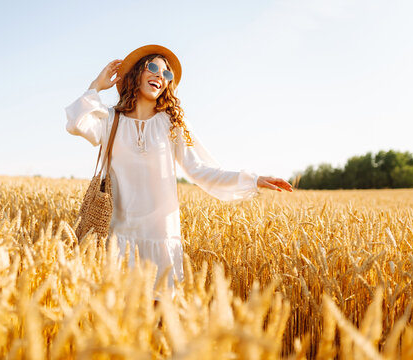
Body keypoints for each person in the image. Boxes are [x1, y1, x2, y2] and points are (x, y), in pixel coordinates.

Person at [65, 45, 292, 301]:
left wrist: (254, 179)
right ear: (136, 74)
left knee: (160, 324)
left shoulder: (172, 123)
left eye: (167, 74)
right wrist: (96, 85)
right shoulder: (110, 120)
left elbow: (201, 169)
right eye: (153, 67)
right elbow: (75, 124)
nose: (160, 76)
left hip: (160, 240)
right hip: (118, 239)